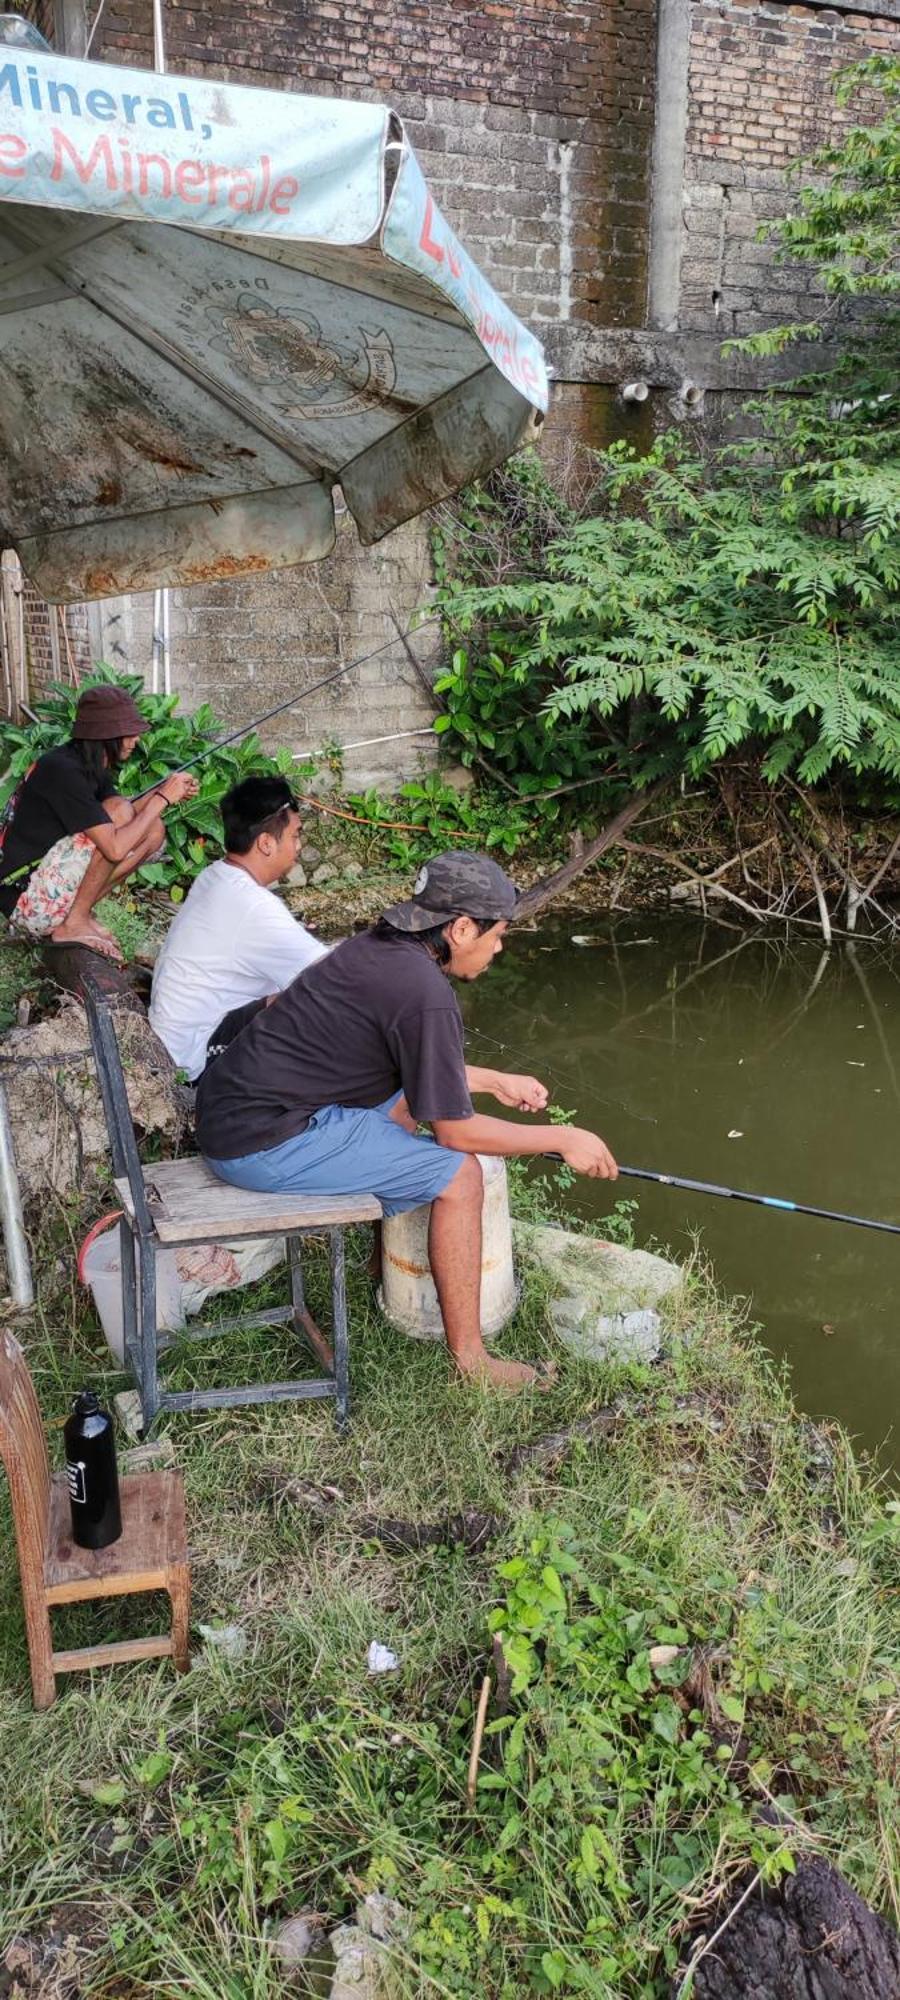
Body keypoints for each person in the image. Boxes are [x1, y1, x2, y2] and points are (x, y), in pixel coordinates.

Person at [196, 850, 618, 1392]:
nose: (499, 947)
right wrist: (561, 1137)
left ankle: (381, 1266)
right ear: (462, 928)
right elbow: (456, 1133)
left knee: (401, 1103)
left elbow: (413, 1065)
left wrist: (494, 1081)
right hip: (259, 1143)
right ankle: (473, 1364)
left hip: (236, 1112)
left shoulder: (378, 950)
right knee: (459, 1177)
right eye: (497, 934)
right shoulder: (424, 993)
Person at [149, 775, 328, 1082]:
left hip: (175, 1040)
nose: (298, 846)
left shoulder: (216, 876)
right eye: (295, 835)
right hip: (192, 1060)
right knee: (312, 1000)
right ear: (266, 843)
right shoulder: (253, 905)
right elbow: (331, 973)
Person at [0, 685, 197, 962]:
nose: (136, 739)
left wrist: (165, 791)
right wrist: (162, 798)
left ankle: (78, 914)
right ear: (105, 734)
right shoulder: (62, 770)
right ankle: (73, 922)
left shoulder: (89, 764)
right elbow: (115, 846)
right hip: (27, 902)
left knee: (154, 831)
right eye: (129, 732)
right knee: (118, 815)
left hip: (46, 889)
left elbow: (129, 810)